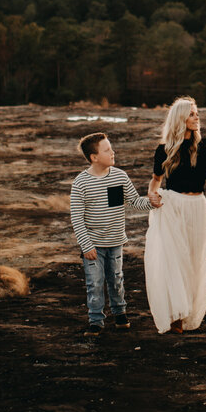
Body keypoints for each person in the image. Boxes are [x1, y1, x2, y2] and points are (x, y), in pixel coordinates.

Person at [144, 96, 206, 334]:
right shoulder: (163, 149)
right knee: (176, 261)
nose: (197, 117)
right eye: (192, 113)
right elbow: (155, 182)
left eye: (197, 113)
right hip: (172, 207)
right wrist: (152, 196)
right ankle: (176, 318)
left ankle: (188, 311)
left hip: (198, 208)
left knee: (195, 262)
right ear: (180, 118)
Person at [70, 132, 159, 337]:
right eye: (107, 150)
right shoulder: (81, 183)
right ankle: (96, 320)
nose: (113, 152)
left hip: (115, 242)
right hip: (93, 246)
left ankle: (120, 313)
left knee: (117, 279)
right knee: (95, 282)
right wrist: (86, 246)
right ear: (94, 157)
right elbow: (76, 217)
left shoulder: (119, 176)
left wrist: (151, 202)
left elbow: (135, 202)